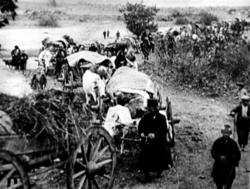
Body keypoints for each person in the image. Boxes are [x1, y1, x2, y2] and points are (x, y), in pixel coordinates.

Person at [138, 98, 173, 182]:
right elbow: (141, 126)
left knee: (160, 150)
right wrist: (142, 133)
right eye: (149, 108)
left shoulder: (161, 118)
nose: (150, 110)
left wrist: (155, 135)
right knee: (145, 151)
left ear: (155, 108)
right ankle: (146, 174)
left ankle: (159, 170)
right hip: (148, 140)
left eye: (152, 108)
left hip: (159, 141)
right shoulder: (146, 117)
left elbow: (163, 130)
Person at [211, 125, 241, 189]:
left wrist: (233, 161)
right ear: (222, 132)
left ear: (230, 134)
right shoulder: (217, 142)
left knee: (228, 185)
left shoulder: (233, 144)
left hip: (229, 169)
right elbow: (213, 152)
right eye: (224, 132)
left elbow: (238, 155)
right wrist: (219, 157)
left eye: (228, 133)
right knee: (219, 185)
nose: (226, 134)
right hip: (218, 167)